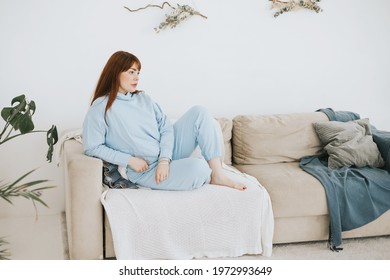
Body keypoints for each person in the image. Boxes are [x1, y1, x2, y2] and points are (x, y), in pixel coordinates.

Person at [82, 50, 246, 191]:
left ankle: (218, 175)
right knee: (200, 168)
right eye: (131, 72)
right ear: (116, 73)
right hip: (146, 169)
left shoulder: (143, 98)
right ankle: (196, 171)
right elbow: (93, 147)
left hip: (167, 154)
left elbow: (166, 127)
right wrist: (129, 160)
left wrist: (164, 160)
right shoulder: (101, 107)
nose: (136, 77)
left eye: (138, 72)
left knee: (200, 112)